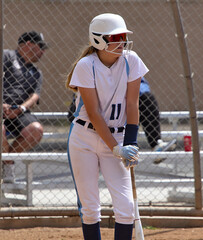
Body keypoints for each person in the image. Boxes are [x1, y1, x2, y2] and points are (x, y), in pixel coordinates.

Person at [66, 13, 148, 240]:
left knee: (126, 207)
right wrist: (116, 148)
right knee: (90, 208)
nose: (122, 42)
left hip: (119, 137)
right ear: (99, 40)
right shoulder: (86, 65)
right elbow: (94, 113)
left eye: (124, 36)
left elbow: (132, 104)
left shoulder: (132, 61)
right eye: (116, 37)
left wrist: (130, 142)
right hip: (85, 138)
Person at [0, 31, 47, 183]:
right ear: (29, 45)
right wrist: (0, 105)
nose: (43, 51)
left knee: (36, 130)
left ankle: (3, 163)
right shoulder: (4, 56)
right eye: (41, 47)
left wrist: (21, 109)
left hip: (17, 111)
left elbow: (34, 96)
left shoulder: (36, 72)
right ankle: (8, 165)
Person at [67, 76, 176, 151]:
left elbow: (141, 87)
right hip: (94, 110)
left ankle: (155, 143)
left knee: (147, 99)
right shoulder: (88, 63)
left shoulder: (128, 61)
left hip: (119, 106)